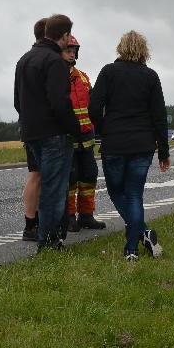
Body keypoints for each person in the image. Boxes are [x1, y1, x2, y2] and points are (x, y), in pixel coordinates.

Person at [89, 30, 170, 261]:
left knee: (116, 192)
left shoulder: (108, 72)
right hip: (143, 144)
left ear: (120, 48)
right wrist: (163, 150)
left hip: (114, 143)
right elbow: (159, 116)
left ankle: (140, 235)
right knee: (134, 195)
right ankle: (132, 248)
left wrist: (105, 128)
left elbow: (94, 108)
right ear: (145, 51)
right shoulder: (151, 76)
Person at [15, 14, 82, 251]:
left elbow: (17, 102)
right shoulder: (54, 61)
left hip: (31, 133)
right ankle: (49, 241)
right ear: (63, 36)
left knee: (45, 183)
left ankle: (47, 235)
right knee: (54, 190)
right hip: (54, 134)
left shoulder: (24, 59)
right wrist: (75, 129)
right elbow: (60, 103)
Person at [60, 34, 106, 232]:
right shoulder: (56, 77)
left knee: (88, 176)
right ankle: (69, 217)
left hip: (87, 137)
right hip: (66, 138)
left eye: (73, 51)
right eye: (68, 51)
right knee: (70, 179)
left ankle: (86, 215)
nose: (71, 55)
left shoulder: (84, 78)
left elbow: (93, 106)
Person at [21, 17, 46, 241]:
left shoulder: (23, 60)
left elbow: (17, 101)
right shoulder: (47, 60)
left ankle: (30, 223)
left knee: (35, 175)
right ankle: (37, 224)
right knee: (40, 176)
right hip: (46, 128)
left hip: (28, 127)